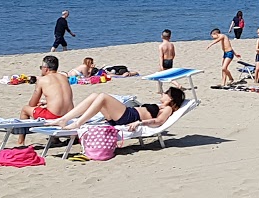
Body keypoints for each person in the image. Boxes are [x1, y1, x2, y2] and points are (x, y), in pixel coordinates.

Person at [56, 86, 188, 132]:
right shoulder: (162, 106)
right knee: (94, 96)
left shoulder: (168, 110)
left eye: (165, 93)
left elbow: (158, 122)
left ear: (170, 98)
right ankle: (65, 119)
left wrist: (139, 122)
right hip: (124, 116)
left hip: (129, 117)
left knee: (102, 97)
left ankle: (78, 123)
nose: (163, 94)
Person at [18, 55, 75, 141]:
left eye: (41, 67)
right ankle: (55, 140)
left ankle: (20, 141)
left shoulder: (42, 80)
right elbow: (61, 97)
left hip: (54, 116)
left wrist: (41, 104)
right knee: (48, 108)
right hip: (70, 114)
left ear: (46, 68)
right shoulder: (64, 78)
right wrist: (47, 103)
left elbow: (32, 104)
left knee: (25, 109)